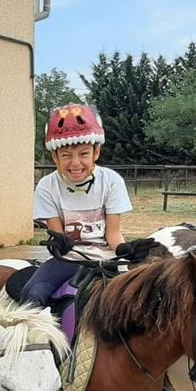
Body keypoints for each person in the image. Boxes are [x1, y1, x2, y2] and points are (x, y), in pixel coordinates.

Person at [20, 103, 132, 307]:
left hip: (105, 258)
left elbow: (113, 234)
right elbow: (59, 235)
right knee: (32, 294)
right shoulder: (47, 186)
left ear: (96, 152)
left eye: (83, 154)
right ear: (55, 157)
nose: (75, 163)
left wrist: (126, 250)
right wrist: (60, 243)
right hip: (68, 260)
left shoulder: (112, 181)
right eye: (66, 156)